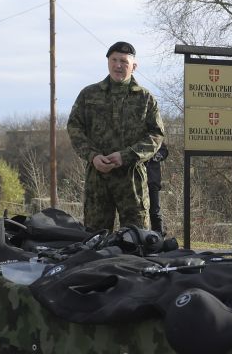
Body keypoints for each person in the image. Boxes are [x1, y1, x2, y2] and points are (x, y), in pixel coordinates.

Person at [67, 41, 164, 232]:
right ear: (108, 62)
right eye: (114, 60)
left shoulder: (145, 98)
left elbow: (156, 135)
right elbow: (74, 128)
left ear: (133, 66)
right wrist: (93, 156)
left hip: (131, 179)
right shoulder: (89, 94)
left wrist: (126, 156)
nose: (118, 65)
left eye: (124, 61)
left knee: (136, 239)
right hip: (98, 177)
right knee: (95, 238)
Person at [145, 141, 169, 234]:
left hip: (152, 179)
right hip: (135, 181)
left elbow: (164, 151)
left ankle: (158, 236)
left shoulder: (154, 135)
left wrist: (155, 157)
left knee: (155, 211)